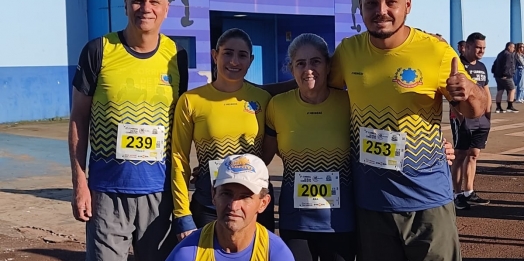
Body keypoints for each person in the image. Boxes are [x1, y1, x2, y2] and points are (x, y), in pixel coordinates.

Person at [328, 1, 487, 260]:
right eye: (371, 3)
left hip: (427, 201)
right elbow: (314, 89)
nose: (381, 10)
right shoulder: (348, 51)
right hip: (371, 203)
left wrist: (469, 91)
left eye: (391, 2)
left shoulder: (435, 50)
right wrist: (251, 91)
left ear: (408, 5)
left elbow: (475, 110)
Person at [68, 0, 187, 260]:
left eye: (155, 2)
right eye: (137, 1)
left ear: (166, 8)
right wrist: (80, 183)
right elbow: (79, 117)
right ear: (125, 6)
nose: (145, 8)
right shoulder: (98, 50)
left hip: (159, 194)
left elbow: (182, 124)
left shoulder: (177, 55)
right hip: (107, 193)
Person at [171, 28, 275, 242]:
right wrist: (182, 213)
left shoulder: (264, 100)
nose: (234, 61)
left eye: (242, 55)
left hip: (252, 205)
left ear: (251, 60)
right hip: (209, 206)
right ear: (214, 55)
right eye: (228, 53)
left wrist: (233, 168)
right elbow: (179, 159)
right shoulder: (192, 100)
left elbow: (268, 150)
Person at [262, 33, 356, 261]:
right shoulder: (277, 106)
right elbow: (261, 157)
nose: (308, 69)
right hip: (295, 222)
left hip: (340, 222)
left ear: (327, 65)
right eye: (300, 63)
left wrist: (438, 146)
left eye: (315, 61)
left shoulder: (349, 103)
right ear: (291, 68)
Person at [166, 154, 294, 261]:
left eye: (245, 197)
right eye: (226, 194)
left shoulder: (276, 254)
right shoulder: (187, 254)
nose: (233, 206)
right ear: (213, 194)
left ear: (263, 203)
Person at [450, 32, 492, 210]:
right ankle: (456, 194)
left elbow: (486, 91)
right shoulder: (458, 66)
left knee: (474, 154)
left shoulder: (482, 66)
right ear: (466, 47)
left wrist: (488, 114)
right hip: (462, 119)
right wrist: (460, 118)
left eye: (483, 48)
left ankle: (469, 191)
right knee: (460, 156)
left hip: (482, 119)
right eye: (477, 47)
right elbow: (451, 96)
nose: (481, 51)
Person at [493, 42, 518, 113]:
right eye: (513, 47)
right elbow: (507, 65)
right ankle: (510, 107)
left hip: (498, 75)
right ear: (509, 47)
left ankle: (498, 108)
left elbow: (495, 64)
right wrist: (506, 74)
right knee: (512, 89)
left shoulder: (500, 54)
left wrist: (494, 72)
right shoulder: (508, 55)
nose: (514, 49)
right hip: (505, 76)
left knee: (500, 90)